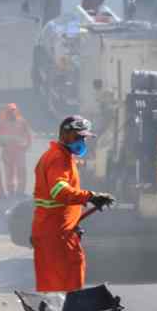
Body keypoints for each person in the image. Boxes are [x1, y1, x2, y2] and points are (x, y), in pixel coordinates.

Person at [31, 115, 112, 292]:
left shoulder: (60, 156)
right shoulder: (59, 159)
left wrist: (73, 221)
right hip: (56, 235)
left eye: (83, 138)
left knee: (53, 285)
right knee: (67, 282)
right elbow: (59, 192)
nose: (82, 141)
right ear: (64, 135)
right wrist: (90, 197)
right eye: (78, 137)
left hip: (55, 231)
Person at [0, 102, 34, 195]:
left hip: (19, 151)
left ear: (16, 111)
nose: (12, 113)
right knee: (9, 172)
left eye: (13, 111)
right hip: (7, 151)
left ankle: (21, 190)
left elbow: (29, 134)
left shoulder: (22, 122)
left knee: (21, 170)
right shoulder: (2, 123)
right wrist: (0, 143)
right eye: (10, 111)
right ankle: (11, 190)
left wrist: (27, 146)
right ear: (6, 112)